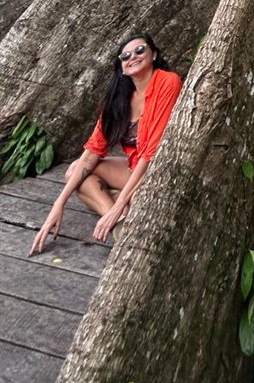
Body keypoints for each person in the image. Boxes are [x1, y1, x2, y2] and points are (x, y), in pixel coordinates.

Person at [29, 33, 181, 255]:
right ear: (121, 66)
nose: (133, 57)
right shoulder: (118, 100)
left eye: (140, 50)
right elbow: (92, 152)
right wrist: (58, 204)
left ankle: (120, 204)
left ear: (154, 53)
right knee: (74, 172)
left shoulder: (168, 82)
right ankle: (120, 222)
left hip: (159, 169)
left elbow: (152, 153)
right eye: (125, 55)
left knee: (145, 199)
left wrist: (121, 202)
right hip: (134, 167)